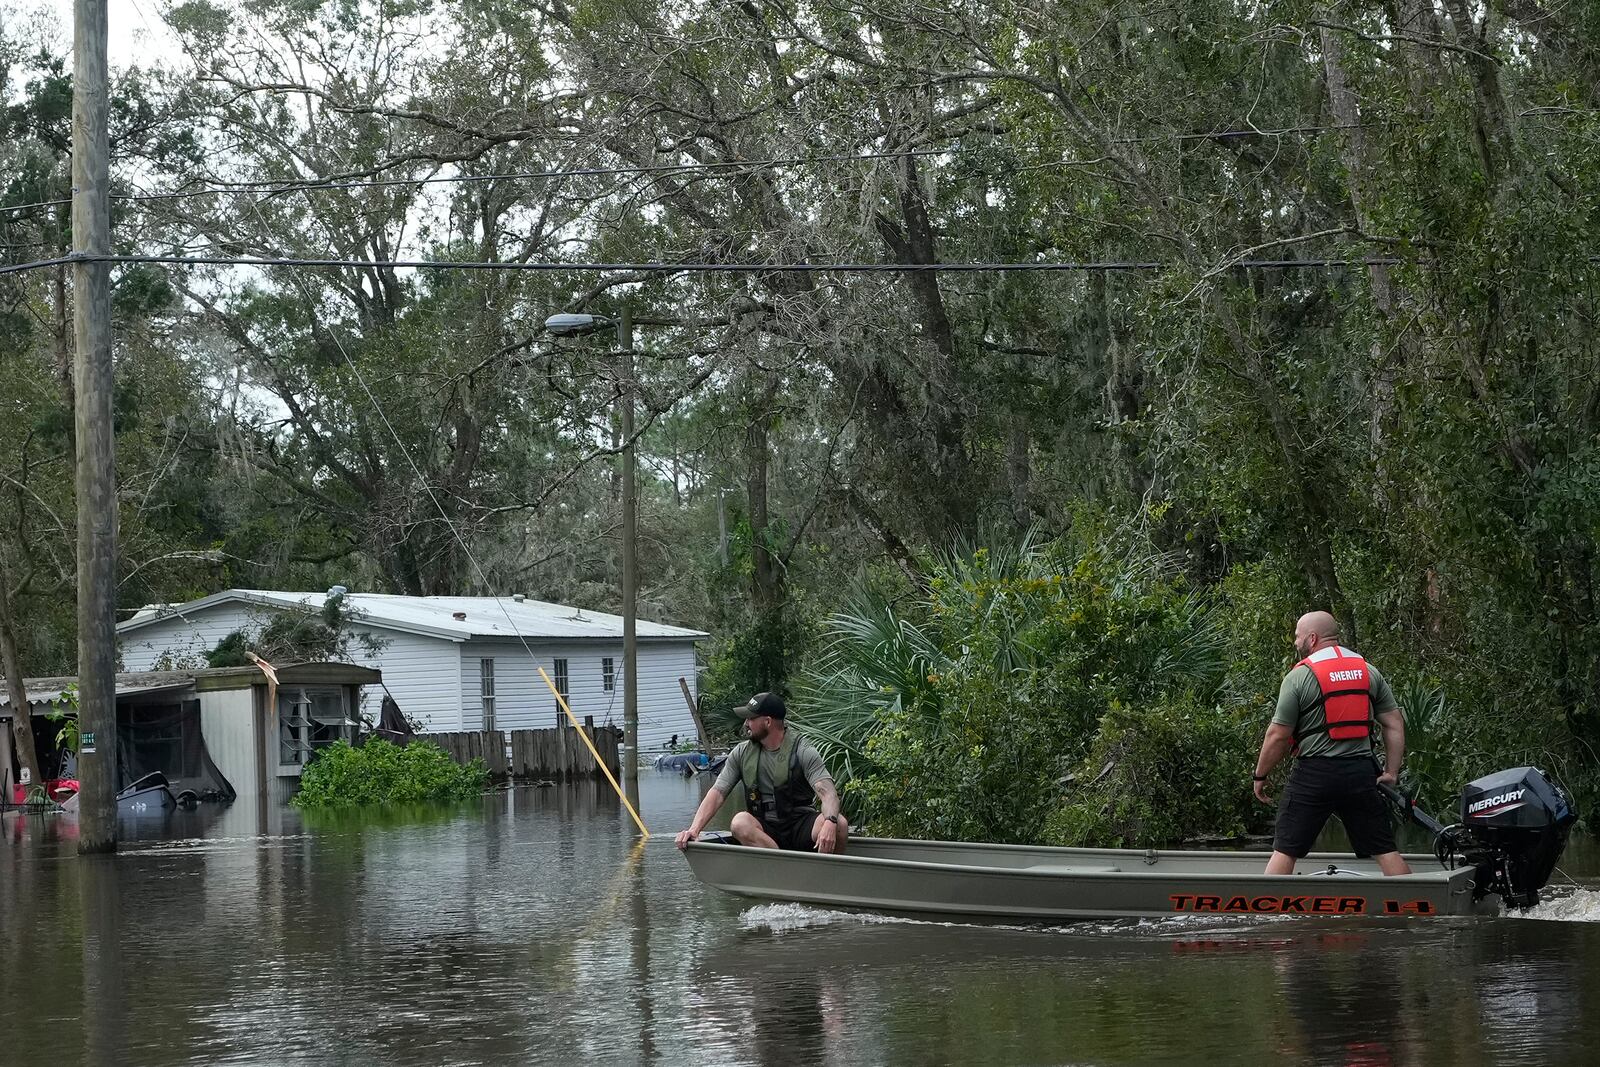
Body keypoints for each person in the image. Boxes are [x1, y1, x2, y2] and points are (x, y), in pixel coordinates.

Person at [1252, 610, 1411, 876]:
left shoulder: (1299, 677)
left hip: (1314, 774)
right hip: (1360, 774)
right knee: (1384, 849)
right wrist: (1391, 772)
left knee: (1286, 848)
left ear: (1312, 639)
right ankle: (1416, 904)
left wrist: (1260, 774)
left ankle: (1267, 910)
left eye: (1297, 636)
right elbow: (1394, 723)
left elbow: (1277, 735)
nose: (1295, 642)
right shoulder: (1368, 671)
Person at [674, 692, 848, 854]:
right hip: (766, 829)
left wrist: (830, 821)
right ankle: (780, 869)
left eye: (750, 718)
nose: (746, 723)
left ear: (767, 721)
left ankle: (830, 877)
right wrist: (694, 829)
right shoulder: (741, 753)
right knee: (739, 822)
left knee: (839, 823)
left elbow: (829, 794)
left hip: (800, 823)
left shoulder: (803, 750)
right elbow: (717, 793)